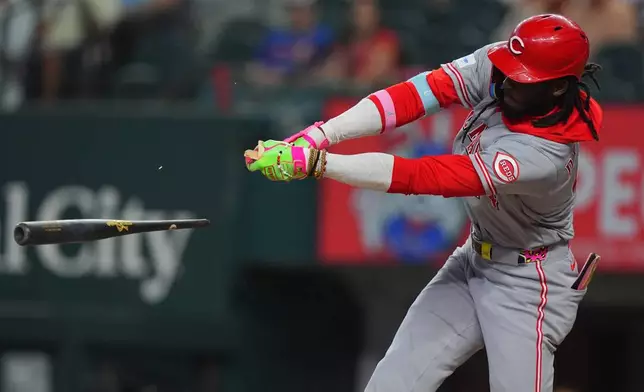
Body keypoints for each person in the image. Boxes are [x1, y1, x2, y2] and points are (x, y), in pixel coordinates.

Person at [245, 13, 603, 392]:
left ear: (559, 88)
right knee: (392, 383)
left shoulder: (545, 156)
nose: (508, 80)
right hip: (474, 259)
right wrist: (322, 133)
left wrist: (319, 163)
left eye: (523, 77)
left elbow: (424, 177)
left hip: (528, 282)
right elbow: (416, 94)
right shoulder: (502, 65)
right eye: (510, 68)